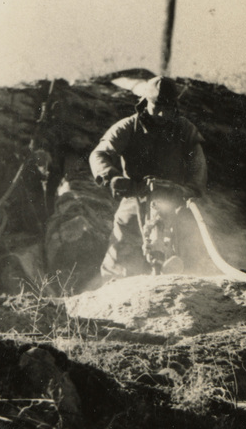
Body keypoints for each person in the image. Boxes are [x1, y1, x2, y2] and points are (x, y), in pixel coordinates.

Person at [89, 75, 208, 279]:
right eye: (157, 106)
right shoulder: (128, 127)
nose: (162, 113)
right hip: (137, 196)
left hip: (175, 199)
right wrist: (112, 177)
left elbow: (198, 164)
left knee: (188, 254)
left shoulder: (185, 129)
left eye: (169, 108)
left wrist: (190, 189)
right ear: (145, 103)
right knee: (120, 257)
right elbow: (99, 154)